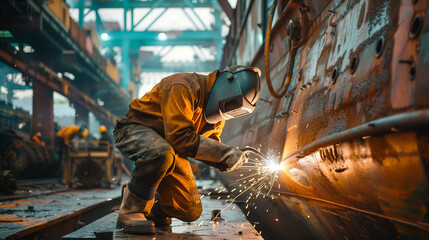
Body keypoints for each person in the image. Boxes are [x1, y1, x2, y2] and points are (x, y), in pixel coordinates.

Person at [113, 65, 261, 234]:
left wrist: (225, 160)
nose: (229, 111)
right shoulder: (183, 86)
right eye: (231, 105)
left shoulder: (215, 114)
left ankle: (151, 209)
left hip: (170, 148)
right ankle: (131, 210)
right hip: (135, 128)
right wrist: (225, 154)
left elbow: (209, 144)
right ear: (226, 84)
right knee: (161, 153)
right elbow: (179, 137)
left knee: (189, 209)